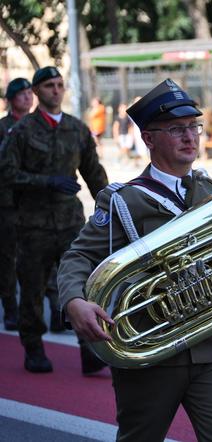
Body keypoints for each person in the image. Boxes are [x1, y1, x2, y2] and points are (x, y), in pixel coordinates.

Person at [58, 78, 212, 441]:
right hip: (150, 353)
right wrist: (74, 301)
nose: (190, 137)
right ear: (148, 138)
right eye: (176, 129)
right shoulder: (124, 200)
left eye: (194, 127)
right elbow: (78, 256)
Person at [0, 67, 109, 374]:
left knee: (81, 287)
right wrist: (46, 182)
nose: (56, 90)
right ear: (37, 92)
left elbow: (94, 173)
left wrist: (112, 205)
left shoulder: (76, 129)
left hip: (71, 223)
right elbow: (7, 174)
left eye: (60, 85)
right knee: (33, 289)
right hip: (32, 226)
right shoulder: (21, 132)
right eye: (49, 86)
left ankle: (89, 349)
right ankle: (33, 348)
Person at [0, 77, 33, 331]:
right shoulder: (3, 128)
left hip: (38, 206)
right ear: (11, 100)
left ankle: (54, 310)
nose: (27, 97)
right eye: (21, 94)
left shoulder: (39, 126)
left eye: (29, 93)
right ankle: (11, 310)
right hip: (9, 205)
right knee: (8, 260)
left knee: (43, 260)